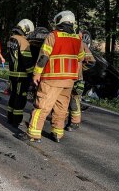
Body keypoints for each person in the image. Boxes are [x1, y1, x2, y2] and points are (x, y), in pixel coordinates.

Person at [27, 10, 85, 143]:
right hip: (69, 81)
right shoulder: (77, 39)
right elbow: (80, 58)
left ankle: (34, 134)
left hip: (51, 78)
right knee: (61, 108)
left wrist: (36, 74)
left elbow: (43, 57)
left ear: (60, 21)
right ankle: (57, 134)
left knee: (42, 106)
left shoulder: (53, 36)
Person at [7, 19, 35, 128]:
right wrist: (33, 73)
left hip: (13, 74)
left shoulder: (12, 39)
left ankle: (10, 117)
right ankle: (16, 121)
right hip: (21, 76)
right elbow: (27, 60)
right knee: (20, 98)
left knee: (13, 96)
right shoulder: (23, 41)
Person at [66, 30, 96, 131]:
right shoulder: (66, 41)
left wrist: (80, 69)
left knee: (74, 100)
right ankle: (64, 119)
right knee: (64, 99)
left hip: (77, 78)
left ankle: (74, 122)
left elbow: (91, 61)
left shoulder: (81, 44)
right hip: (66, 76)